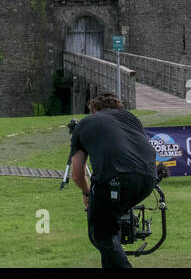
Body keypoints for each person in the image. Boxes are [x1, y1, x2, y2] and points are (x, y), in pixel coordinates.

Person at [67, 93, 158, 268]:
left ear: (94, 109)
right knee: (110, 228)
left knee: (103, 233)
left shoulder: (86, 123)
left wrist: (87, 192)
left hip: (116, 179)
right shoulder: (131, 119)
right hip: (148, 178)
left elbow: (77, 174)